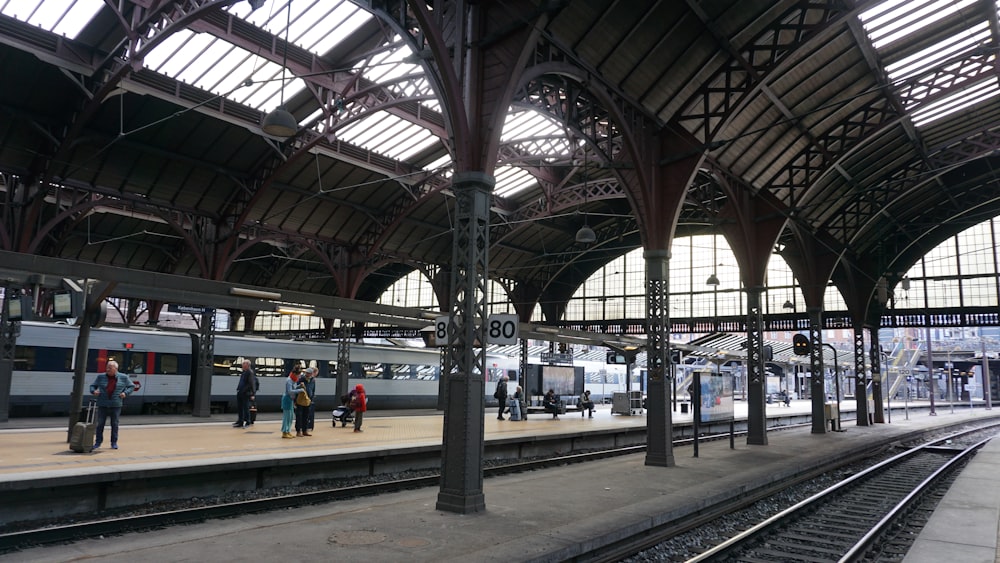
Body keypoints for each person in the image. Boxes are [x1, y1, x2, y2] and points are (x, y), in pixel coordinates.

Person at [89, 359, 133, 450]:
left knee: (115, 424)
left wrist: (125, 393)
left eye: (110, 368)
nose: (107, 369)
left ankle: (114, 442)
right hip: (103, 403)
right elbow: (92, 386)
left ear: (116, 369)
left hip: (116, 404)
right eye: (107, 367)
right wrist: (94, 391)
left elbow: (131, 386)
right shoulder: (101, 377)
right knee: (100, 424)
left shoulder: (123, 377)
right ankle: (98, 442)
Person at [281, 369, 304, 439]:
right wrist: (300, 390)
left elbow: (292, 389)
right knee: (287, 417)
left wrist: (299, 386)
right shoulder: (289, 381)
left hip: (290, 399)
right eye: (299, 375)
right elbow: (290, 391)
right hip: (287, 399)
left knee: (290, 417)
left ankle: (288, 431)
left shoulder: (292, 380)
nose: (299, 377)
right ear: (295, 374)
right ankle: (284, 432)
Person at [233, 360, 256, 428]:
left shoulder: (250, 372)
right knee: (240, 407)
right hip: (240, 392)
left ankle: (248, 422)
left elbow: (251, 383)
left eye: (243, 364)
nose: (242, 365)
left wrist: (252, 393)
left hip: (245, 393)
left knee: (245, 408)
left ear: (247, 365)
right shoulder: (244, 372)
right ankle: (240, 421)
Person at [295, 367, 315, 437]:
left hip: (308, 400)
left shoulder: (313, 380)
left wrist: (311, 399)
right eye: (306, 373)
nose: (307, 374)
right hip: (300, 400)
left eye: (309, 373)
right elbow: (296, 388)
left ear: (311, 374)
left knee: (306, 416)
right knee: (299, 416)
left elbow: (313, 390)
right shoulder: (301, 379)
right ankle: (298, 431)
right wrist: (295, 400)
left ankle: (304, 430)